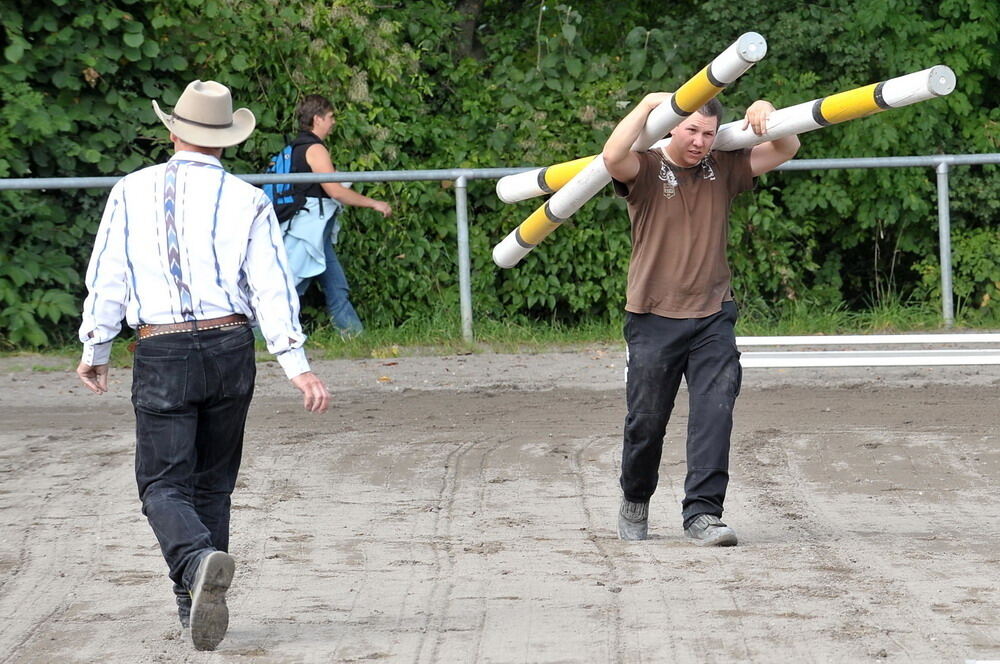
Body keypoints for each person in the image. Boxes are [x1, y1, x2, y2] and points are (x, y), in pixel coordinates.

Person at [75, 80, 331, 650]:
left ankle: (194, 566)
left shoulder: (129, 191)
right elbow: (272, 285)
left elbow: (108, 275)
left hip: (162, 348)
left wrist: (96, 347)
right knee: (213, 484)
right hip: (229, 344)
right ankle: (194, 597)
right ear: (225, 141)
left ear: (173, 133)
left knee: (163, 486)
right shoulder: (248, 199)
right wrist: (296, 362)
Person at [603, 94, 800, 546]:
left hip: (713, 314)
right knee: (646, 422)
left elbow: (786, 148)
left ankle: (703, 514)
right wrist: (648, 104)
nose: (699, 141)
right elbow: (612, 157)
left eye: (708, 133)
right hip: (652, 315)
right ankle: (635, 498)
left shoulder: (723, 166)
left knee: (715, 413)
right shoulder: (647, 167)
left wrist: (768, 112)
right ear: (672, 127)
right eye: (691, 130)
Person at [280, 94, 392, 337]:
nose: (333, 122)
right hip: (308, 231)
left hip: (315, 231)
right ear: (317, 119)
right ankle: (262, 337)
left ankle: (353, 335)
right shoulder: (315, 149)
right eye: (330, 117)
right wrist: (374, 203)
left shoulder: (295, 148)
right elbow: (335, 192)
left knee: (336, 286)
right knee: (292, 287)